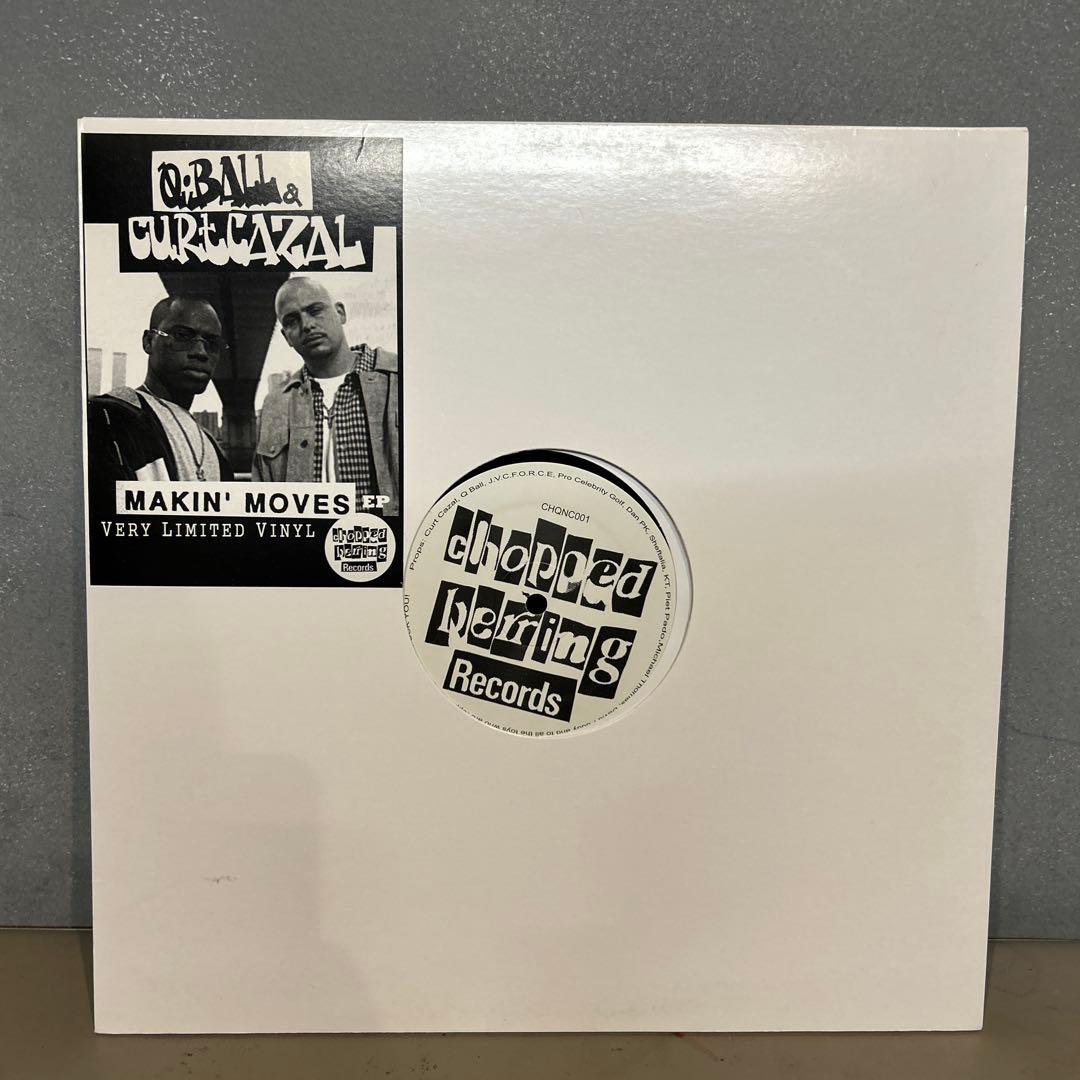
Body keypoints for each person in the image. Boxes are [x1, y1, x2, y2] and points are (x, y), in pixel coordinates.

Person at [252, 276, 399, 515]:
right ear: (287, 337)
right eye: (292, 320)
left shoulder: (398, 379)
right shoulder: (275, 405)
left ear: (340, 313)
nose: (307, 325)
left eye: (315, 311)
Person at [87, 297, 234, 501]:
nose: (201, 352)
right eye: (182, 336)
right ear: (149, 342)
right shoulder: (109, 418)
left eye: (212, 343)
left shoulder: (212, 446)